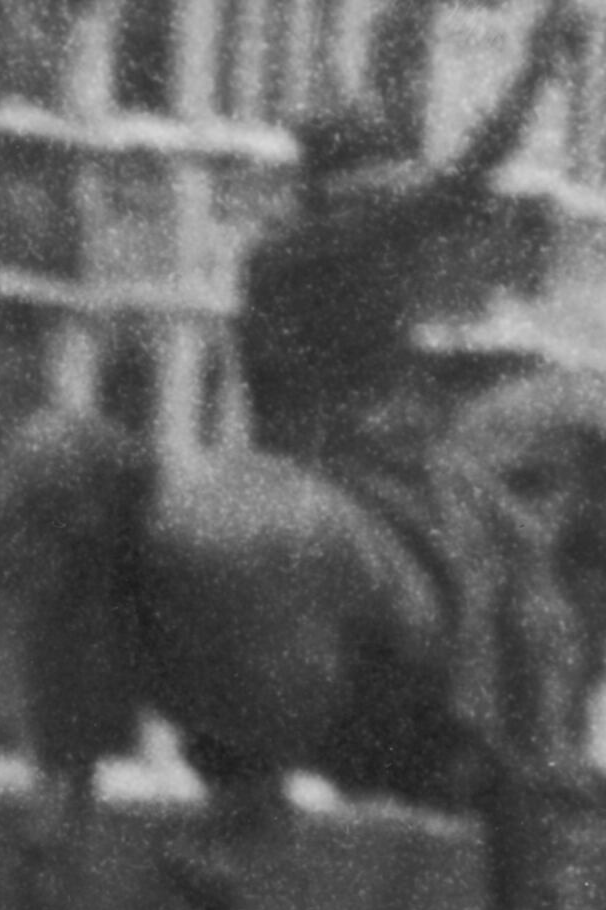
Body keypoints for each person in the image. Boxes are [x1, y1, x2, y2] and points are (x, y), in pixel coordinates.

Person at [237, 0, 585, 803]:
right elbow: (475, 169)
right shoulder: (377, 226)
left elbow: (252, 358)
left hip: (286, 449)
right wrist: (535, 68)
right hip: (376, 446)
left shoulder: (271, 249)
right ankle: (472, 716)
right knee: (500, 545)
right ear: (364, 175)